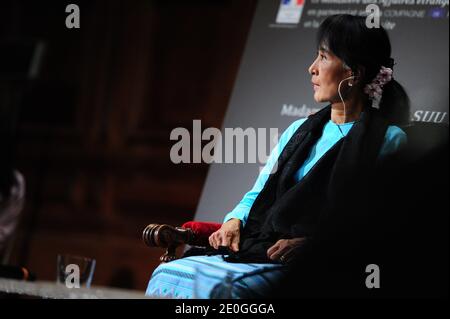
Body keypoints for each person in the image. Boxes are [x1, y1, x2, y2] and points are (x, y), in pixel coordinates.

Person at [146, 14, 410, 299]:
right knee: (168, 274)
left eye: (323, 57)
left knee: (225, 291)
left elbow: (376, 226)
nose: (312, 68)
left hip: (315, 264)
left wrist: (312, 245)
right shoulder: (299, 130)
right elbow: (257, 193)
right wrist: (234, 221)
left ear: (354, 73)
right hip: (260, 245)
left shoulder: (388, 140)